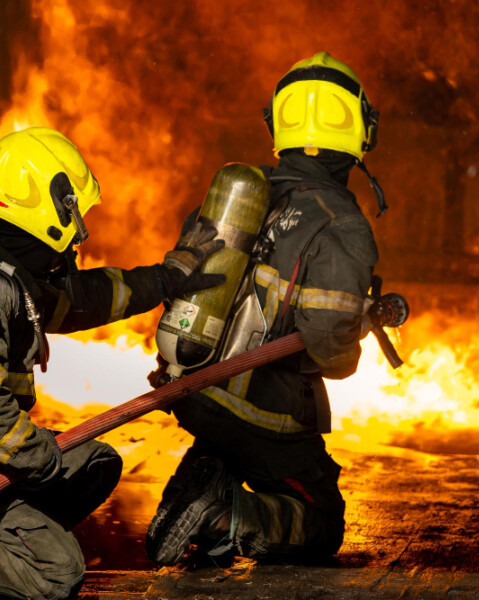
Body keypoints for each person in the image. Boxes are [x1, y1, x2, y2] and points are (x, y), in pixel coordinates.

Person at [0, 127, 225, 600]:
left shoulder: (5, 271)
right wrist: (39, 459)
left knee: (95, 463)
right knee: (56, 575)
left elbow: (85, 299)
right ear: (54, 208)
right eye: (77, 214)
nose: (79, 234)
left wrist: (167, 279)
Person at [146, 52, 382, 565]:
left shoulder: (241, 193)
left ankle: (209, 475)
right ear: (360, 128)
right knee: (321, 519)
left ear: (278, 123)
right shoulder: (339, 221)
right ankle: (223, 515)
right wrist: (354, 333)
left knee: (235, 441)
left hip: (190, 386)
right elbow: (332, 354)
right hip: (261, 411)